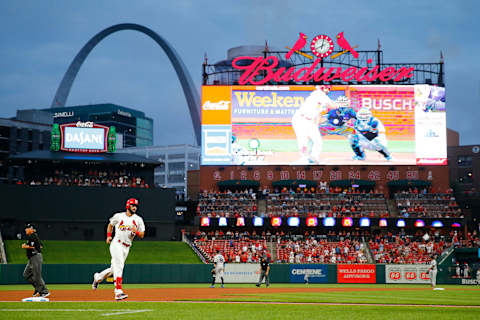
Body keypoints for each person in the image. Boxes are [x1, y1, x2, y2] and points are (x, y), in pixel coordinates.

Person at [92, 198, 145, 300]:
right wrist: (108, 236)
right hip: (117, 243)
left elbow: (142, 234)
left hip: (127, 246)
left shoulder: (138, 219)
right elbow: (110, 225)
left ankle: (97, 277)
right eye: (133, 205)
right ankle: (118, 292)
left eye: (136, 206)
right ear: (128, 206)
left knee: (114, 269)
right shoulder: (119, 216)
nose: (135, 207)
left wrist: (136, 232)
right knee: (119, 266)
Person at [291, 86, 338, 164]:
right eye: (326, 88)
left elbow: (318, 113)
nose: (328, 90)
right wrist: (339, 105)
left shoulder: (322, 99)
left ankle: (314, 158)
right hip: (300, 119)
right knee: (303, 140)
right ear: (322, 88)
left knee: (318, 141)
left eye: (329, 89)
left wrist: (316, 125)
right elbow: (332, 105)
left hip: (310, 122)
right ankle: (304, 158)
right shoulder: (318, 94)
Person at [22, 223, 50, 297]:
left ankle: (44, 291)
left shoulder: (33, 236)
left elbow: (33, 246)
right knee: (26, 274)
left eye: (27, 229)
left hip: (35, 257)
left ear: (31, 229)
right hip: (31, 258)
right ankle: (38, 288)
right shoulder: (32, 236)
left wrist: (26, 246)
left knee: (37, 275)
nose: (25, 230)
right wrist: (34, 246)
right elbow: (41, 245)